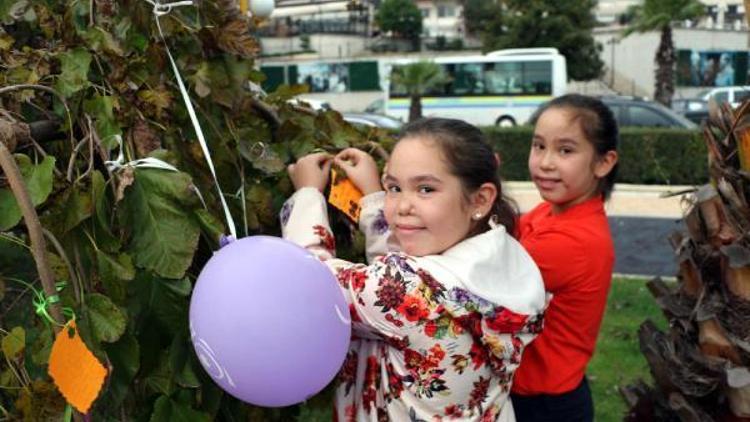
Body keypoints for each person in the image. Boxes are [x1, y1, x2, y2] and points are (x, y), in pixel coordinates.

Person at [281, 118, 547, 421]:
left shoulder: (411, 290)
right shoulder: (507, 262)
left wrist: (306, 195)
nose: (402, 206)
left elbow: (307, 280)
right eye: (394, 187)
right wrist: (373, 198)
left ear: (481, 199)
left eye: (425, 189)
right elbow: (406, 274)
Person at [510, 94, 619, 422]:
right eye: (539, 146)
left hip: (545, 406)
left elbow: (475, 275)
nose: (545, 162)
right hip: (541, 395)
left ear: (603, 162)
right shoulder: (549, 213)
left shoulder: (572, 241)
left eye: (565, 150)